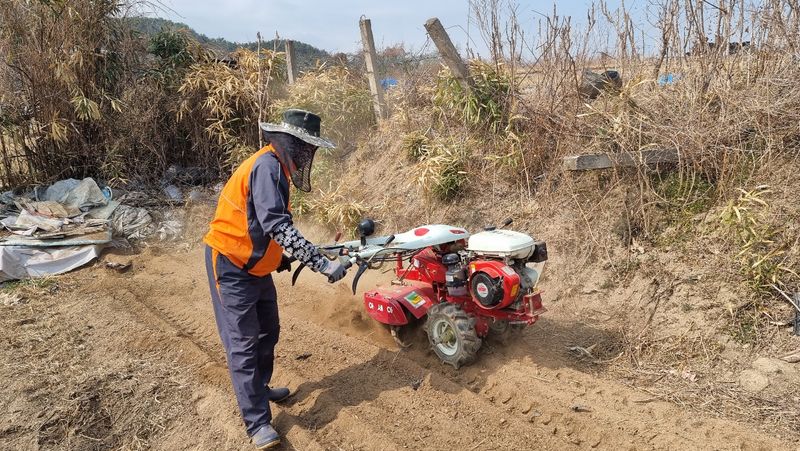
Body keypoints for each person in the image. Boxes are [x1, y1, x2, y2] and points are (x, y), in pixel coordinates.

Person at [203, 109, 347, 449]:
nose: (307, 155)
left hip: (255, 267)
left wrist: (279, 258)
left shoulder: (276, 169)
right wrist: (320, 263)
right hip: (231, 264)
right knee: (244, 344)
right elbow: (277, 225)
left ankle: (261, 387)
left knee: (269, 329)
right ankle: (257, 424)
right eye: (305, 147)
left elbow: (259, 223)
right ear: (290, 144)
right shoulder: (267, 167)